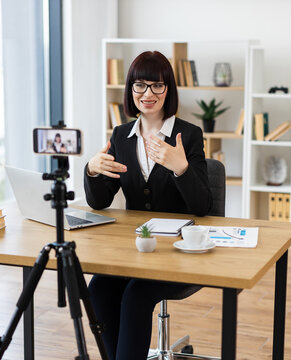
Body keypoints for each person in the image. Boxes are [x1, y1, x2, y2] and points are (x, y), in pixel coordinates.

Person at [84, 50, 212, 360]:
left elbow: (202, 206)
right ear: (130, 90)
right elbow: (99, 202)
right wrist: (91, 169)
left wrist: (180, 167)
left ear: (168, 90)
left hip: (177, 254)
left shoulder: (188, 136)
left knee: (136, 294)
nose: (148, 94)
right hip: (136, 250)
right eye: (139, 85)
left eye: (157, 85)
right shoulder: (121, 136)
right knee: (98, 289)